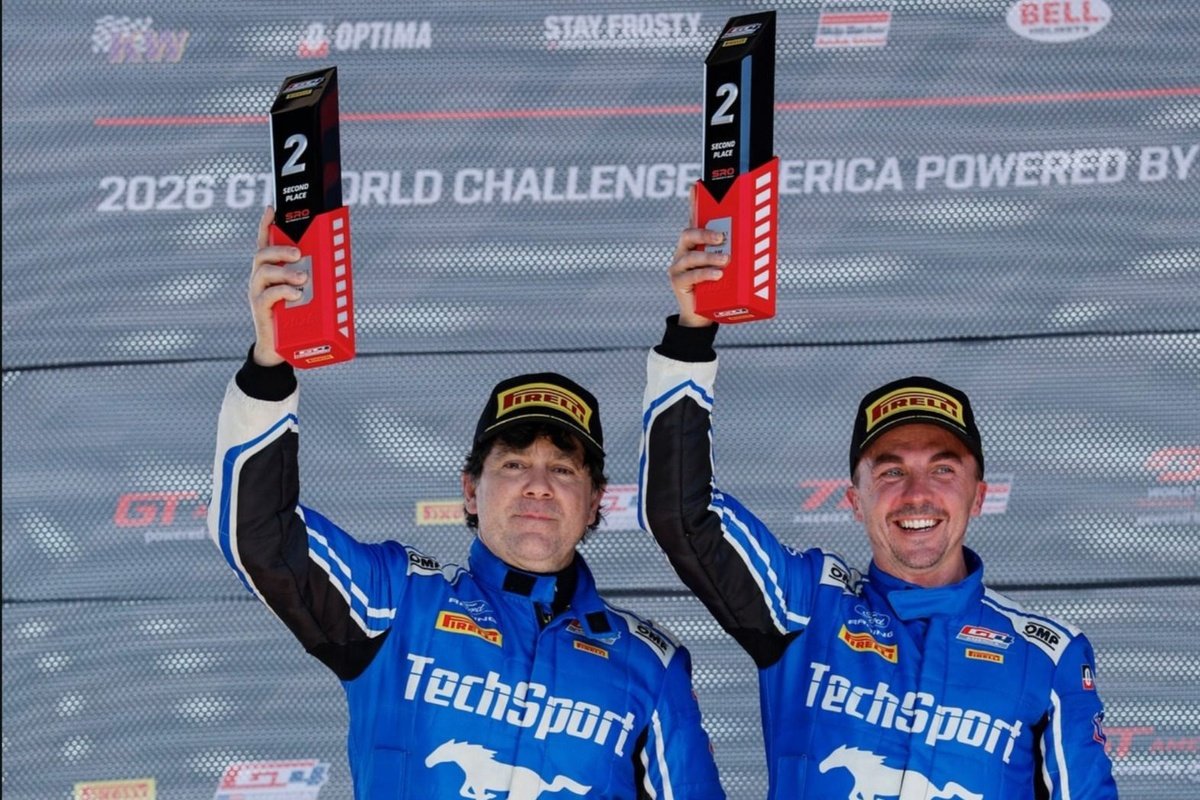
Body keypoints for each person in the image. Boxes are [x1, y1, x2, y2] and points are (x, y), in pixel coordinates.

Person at [208, 207, 725, 800]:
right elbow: (260, 535)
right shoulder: (399, 602)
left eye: (563, 469)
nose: (538, 485)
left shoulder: (649, 665)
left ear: (594, 503)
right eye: (513, 464)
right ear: (469, 490)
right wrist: (270, 366)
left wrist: (692, 336)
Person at [637, 224, 1119, 798]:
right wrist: (690, 337)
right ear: (854, 500)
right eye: (891, 472)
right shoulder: (808, 607)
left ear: (979, 496)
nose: (917, 494)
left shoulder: (1047, 655)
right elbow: (683, 513)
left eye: (943, 470)